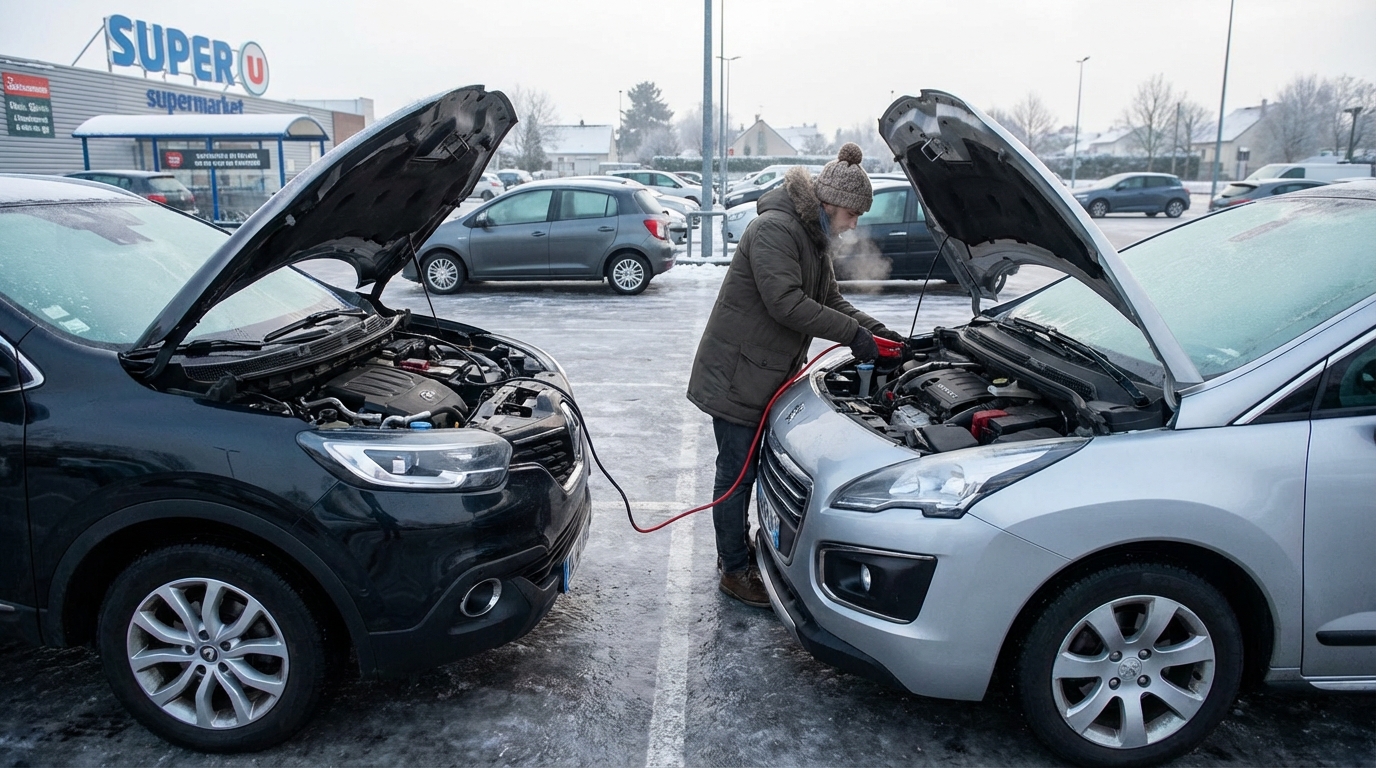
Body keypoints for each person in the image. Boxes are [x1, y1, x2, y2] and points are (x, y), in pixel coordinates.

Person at [686, 143, 905, 607]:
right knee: (735, 475)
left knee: (749, 471)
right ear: (831, 204)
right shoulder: (775, 230)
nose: (854, 225)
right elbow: (785, 303)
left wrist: (877, 334)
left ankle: (737, 553)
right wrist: (851, 335)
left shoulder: (812, 239)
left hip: (762, 375)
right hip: (736, 376)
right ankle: (734, 569)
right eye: (853, 215)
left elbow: (830, 302)